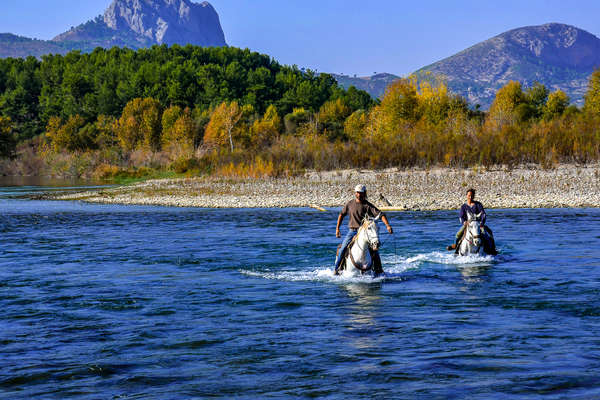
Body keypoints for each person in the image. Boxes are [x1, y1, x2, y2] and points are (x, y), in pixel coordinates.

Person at [334, 184, 393, 274]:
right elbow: (341, 215)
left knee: (375, 250)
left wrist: (387, 225)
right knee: (343, 248)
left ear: (364, 193)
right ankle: (337, 269)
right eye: (358, 193)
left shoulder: (368, 205)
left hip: (364, 232)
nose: (359, 195)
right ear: (355, 193)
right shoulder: (350, 204)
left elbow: (381, 214)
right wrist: (337, 229)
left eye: (361, 193)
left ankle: (379, 270)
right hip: (352, 231)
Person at [447, 188, 494, 252]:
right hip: (468, 224)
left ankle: (492, 249)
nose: (470, 197)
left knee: (487, 234)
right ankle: (457, 247)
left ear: (474, 196)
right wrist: (464, 222)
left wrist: (482, 223)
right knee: (458, 235)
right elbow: (461, 217)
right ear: (466, 196)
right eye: (469, 195)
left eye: (472, 195)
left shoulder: (478, 205)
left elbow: (483, 214)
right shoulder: (464, 206)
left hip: (478, 224)